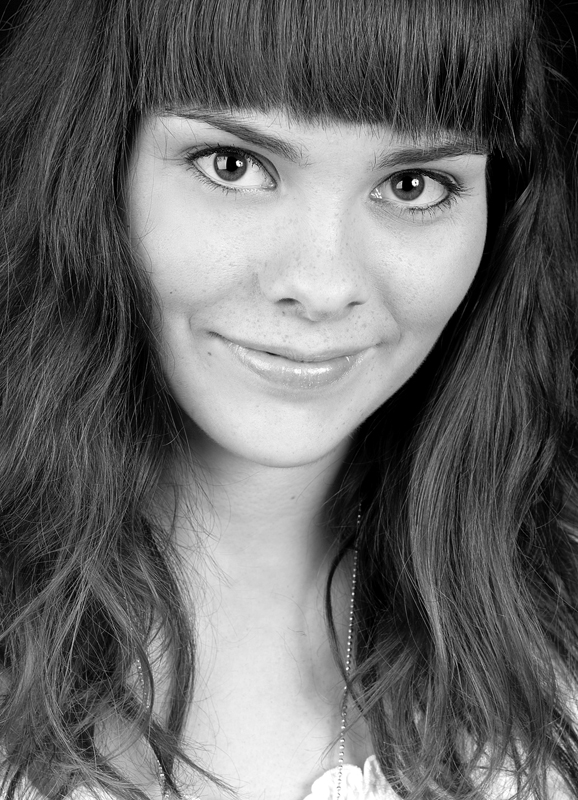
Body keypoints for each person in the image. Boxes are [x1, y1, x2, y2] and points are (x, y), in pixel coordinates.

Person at [1, 0, 577, 797]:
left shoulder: (556, 649)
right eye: (233, 165)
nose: (321, 284)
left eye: (412, 184)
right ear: (89, 167)